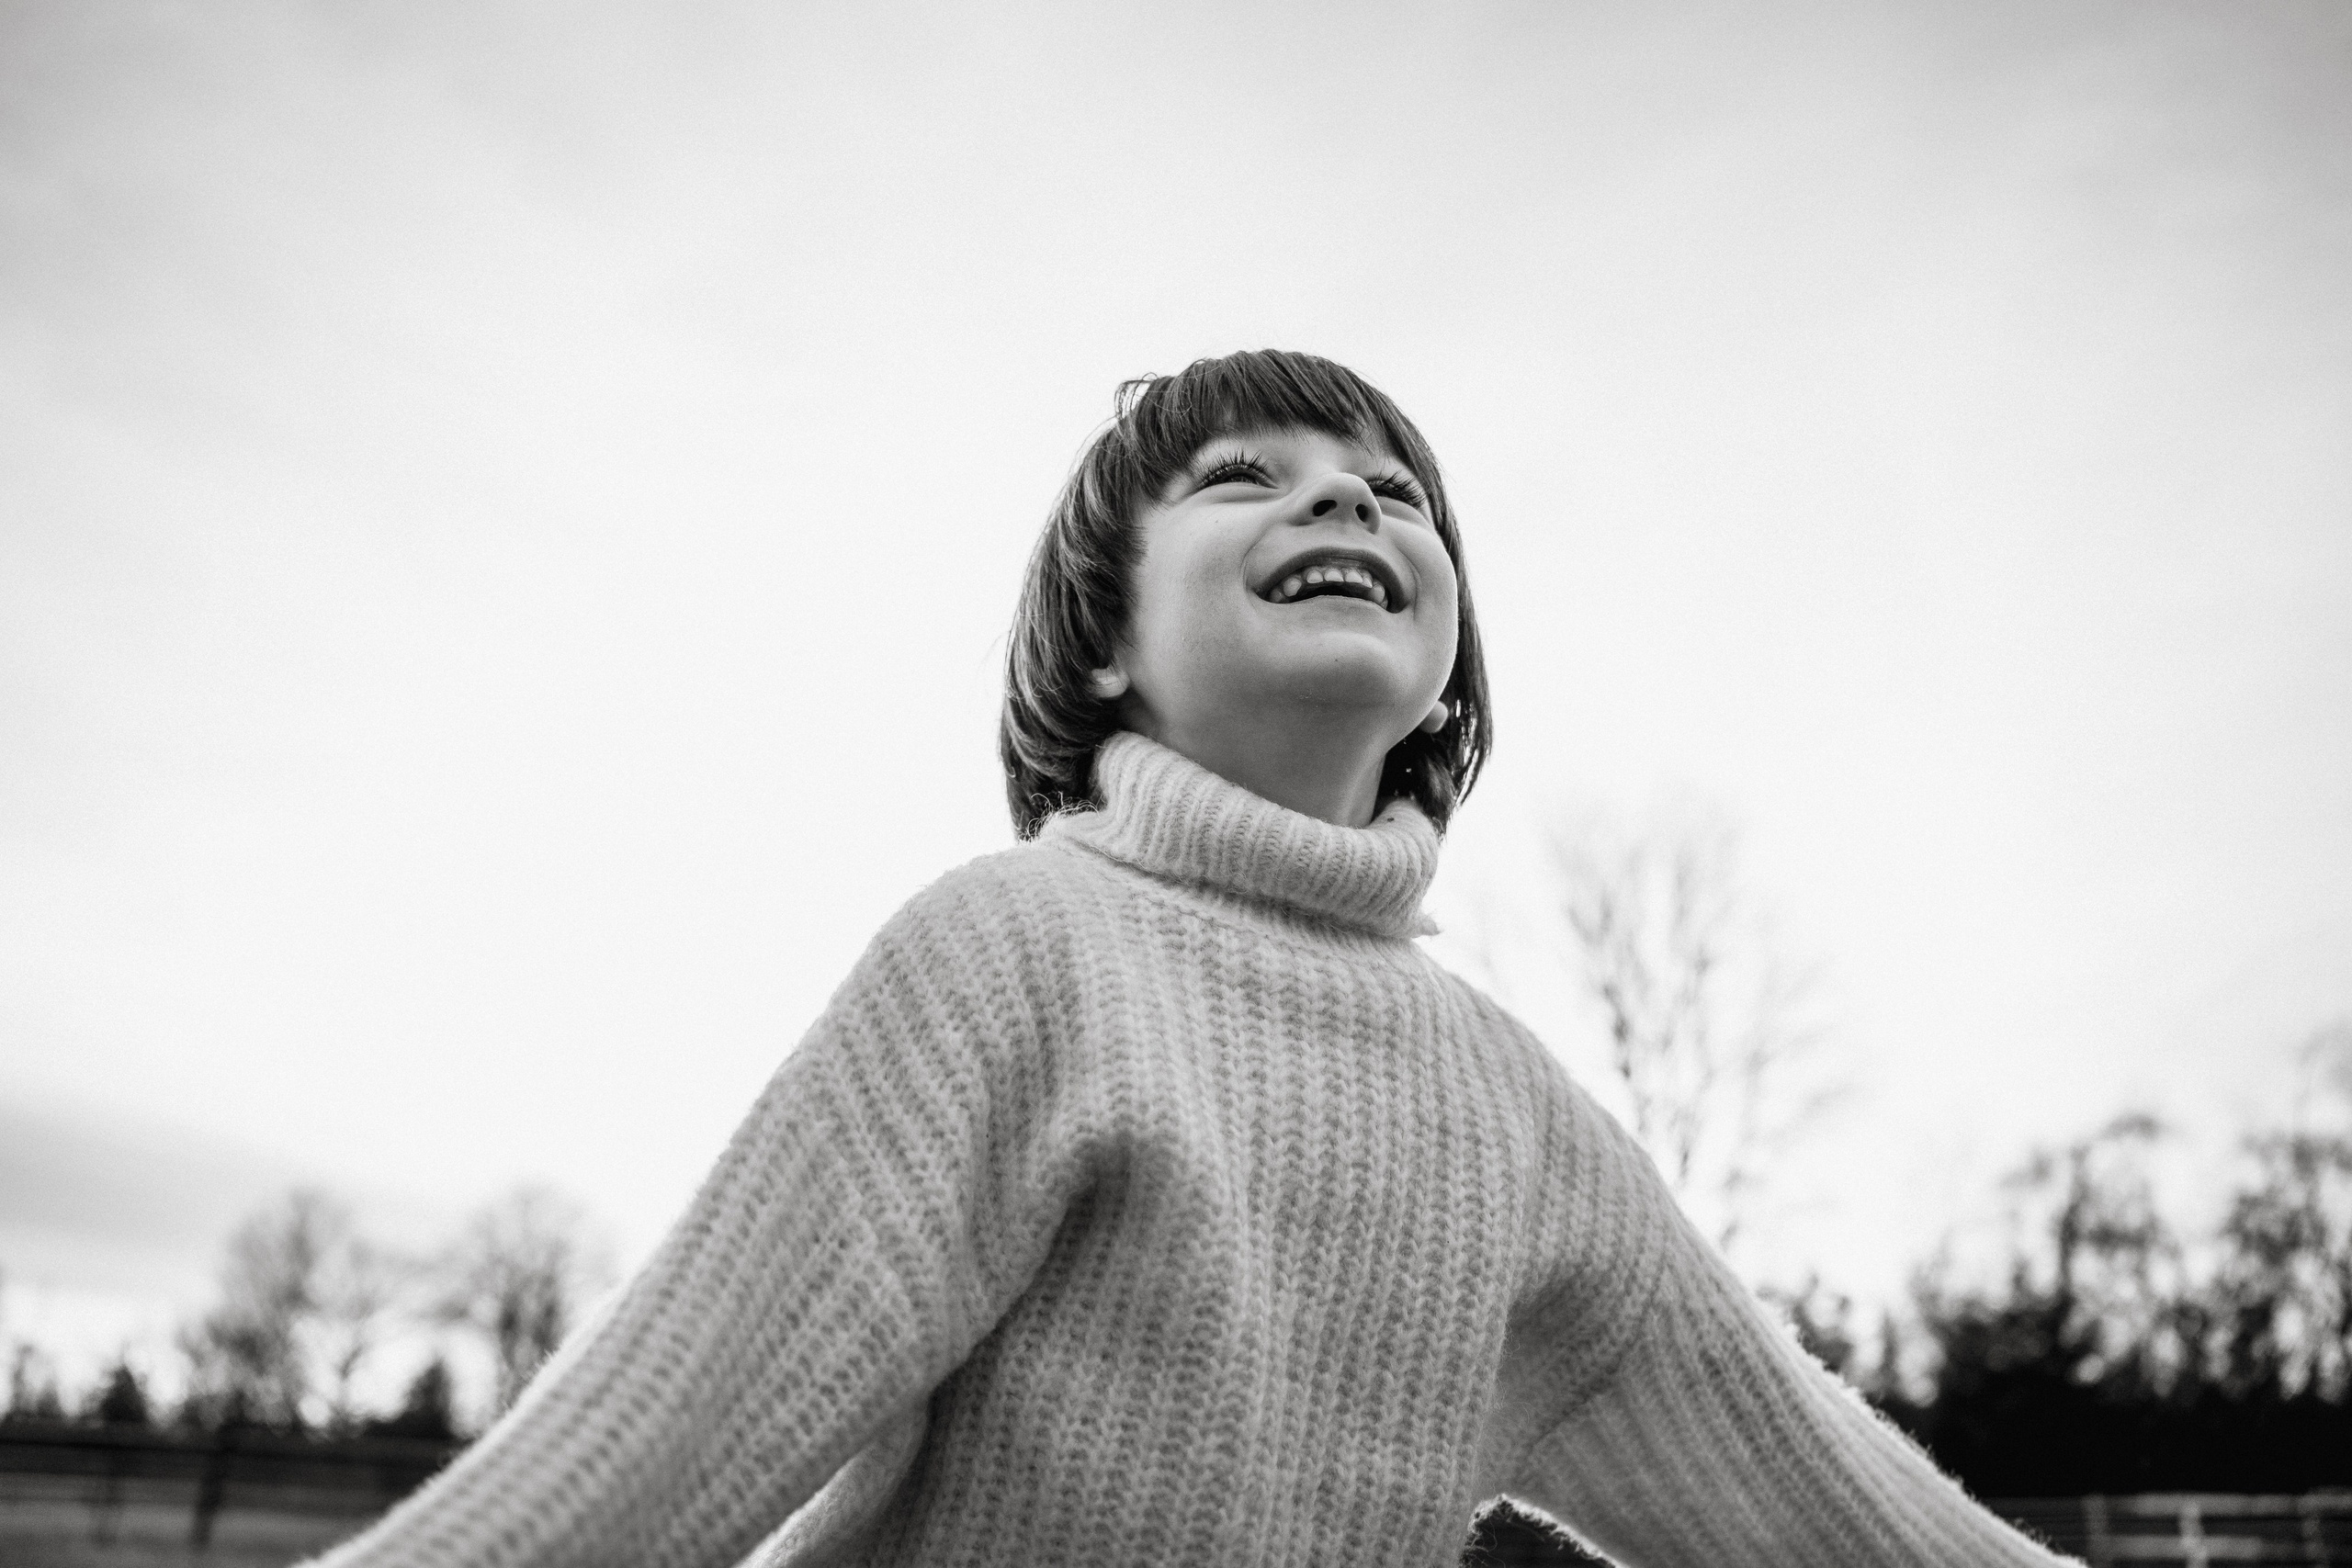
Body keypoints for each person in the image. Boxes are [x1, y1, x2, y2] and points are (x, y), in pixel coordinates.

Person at [308, 350, 2077, 1566]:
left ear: (1446, 664)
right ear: (1099, 649)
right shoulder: (1019, 953)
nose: (1352, 507)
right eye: (1253, 480)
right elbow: (668, 1422)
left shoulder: (1508, 1104)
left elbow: (1811, 1486)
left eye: (1399, 496)